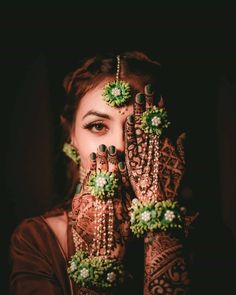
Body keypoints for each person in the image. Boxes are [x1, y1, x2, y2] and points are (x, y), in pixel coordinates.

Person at [9, 51, 198, 294]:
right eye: (98, 126)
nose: (119, 145)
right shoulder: (36, 241)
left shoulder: (203, 236)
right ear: (71, 134)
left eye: (140, 127)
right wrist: (102, 265)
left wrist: (161, 230)